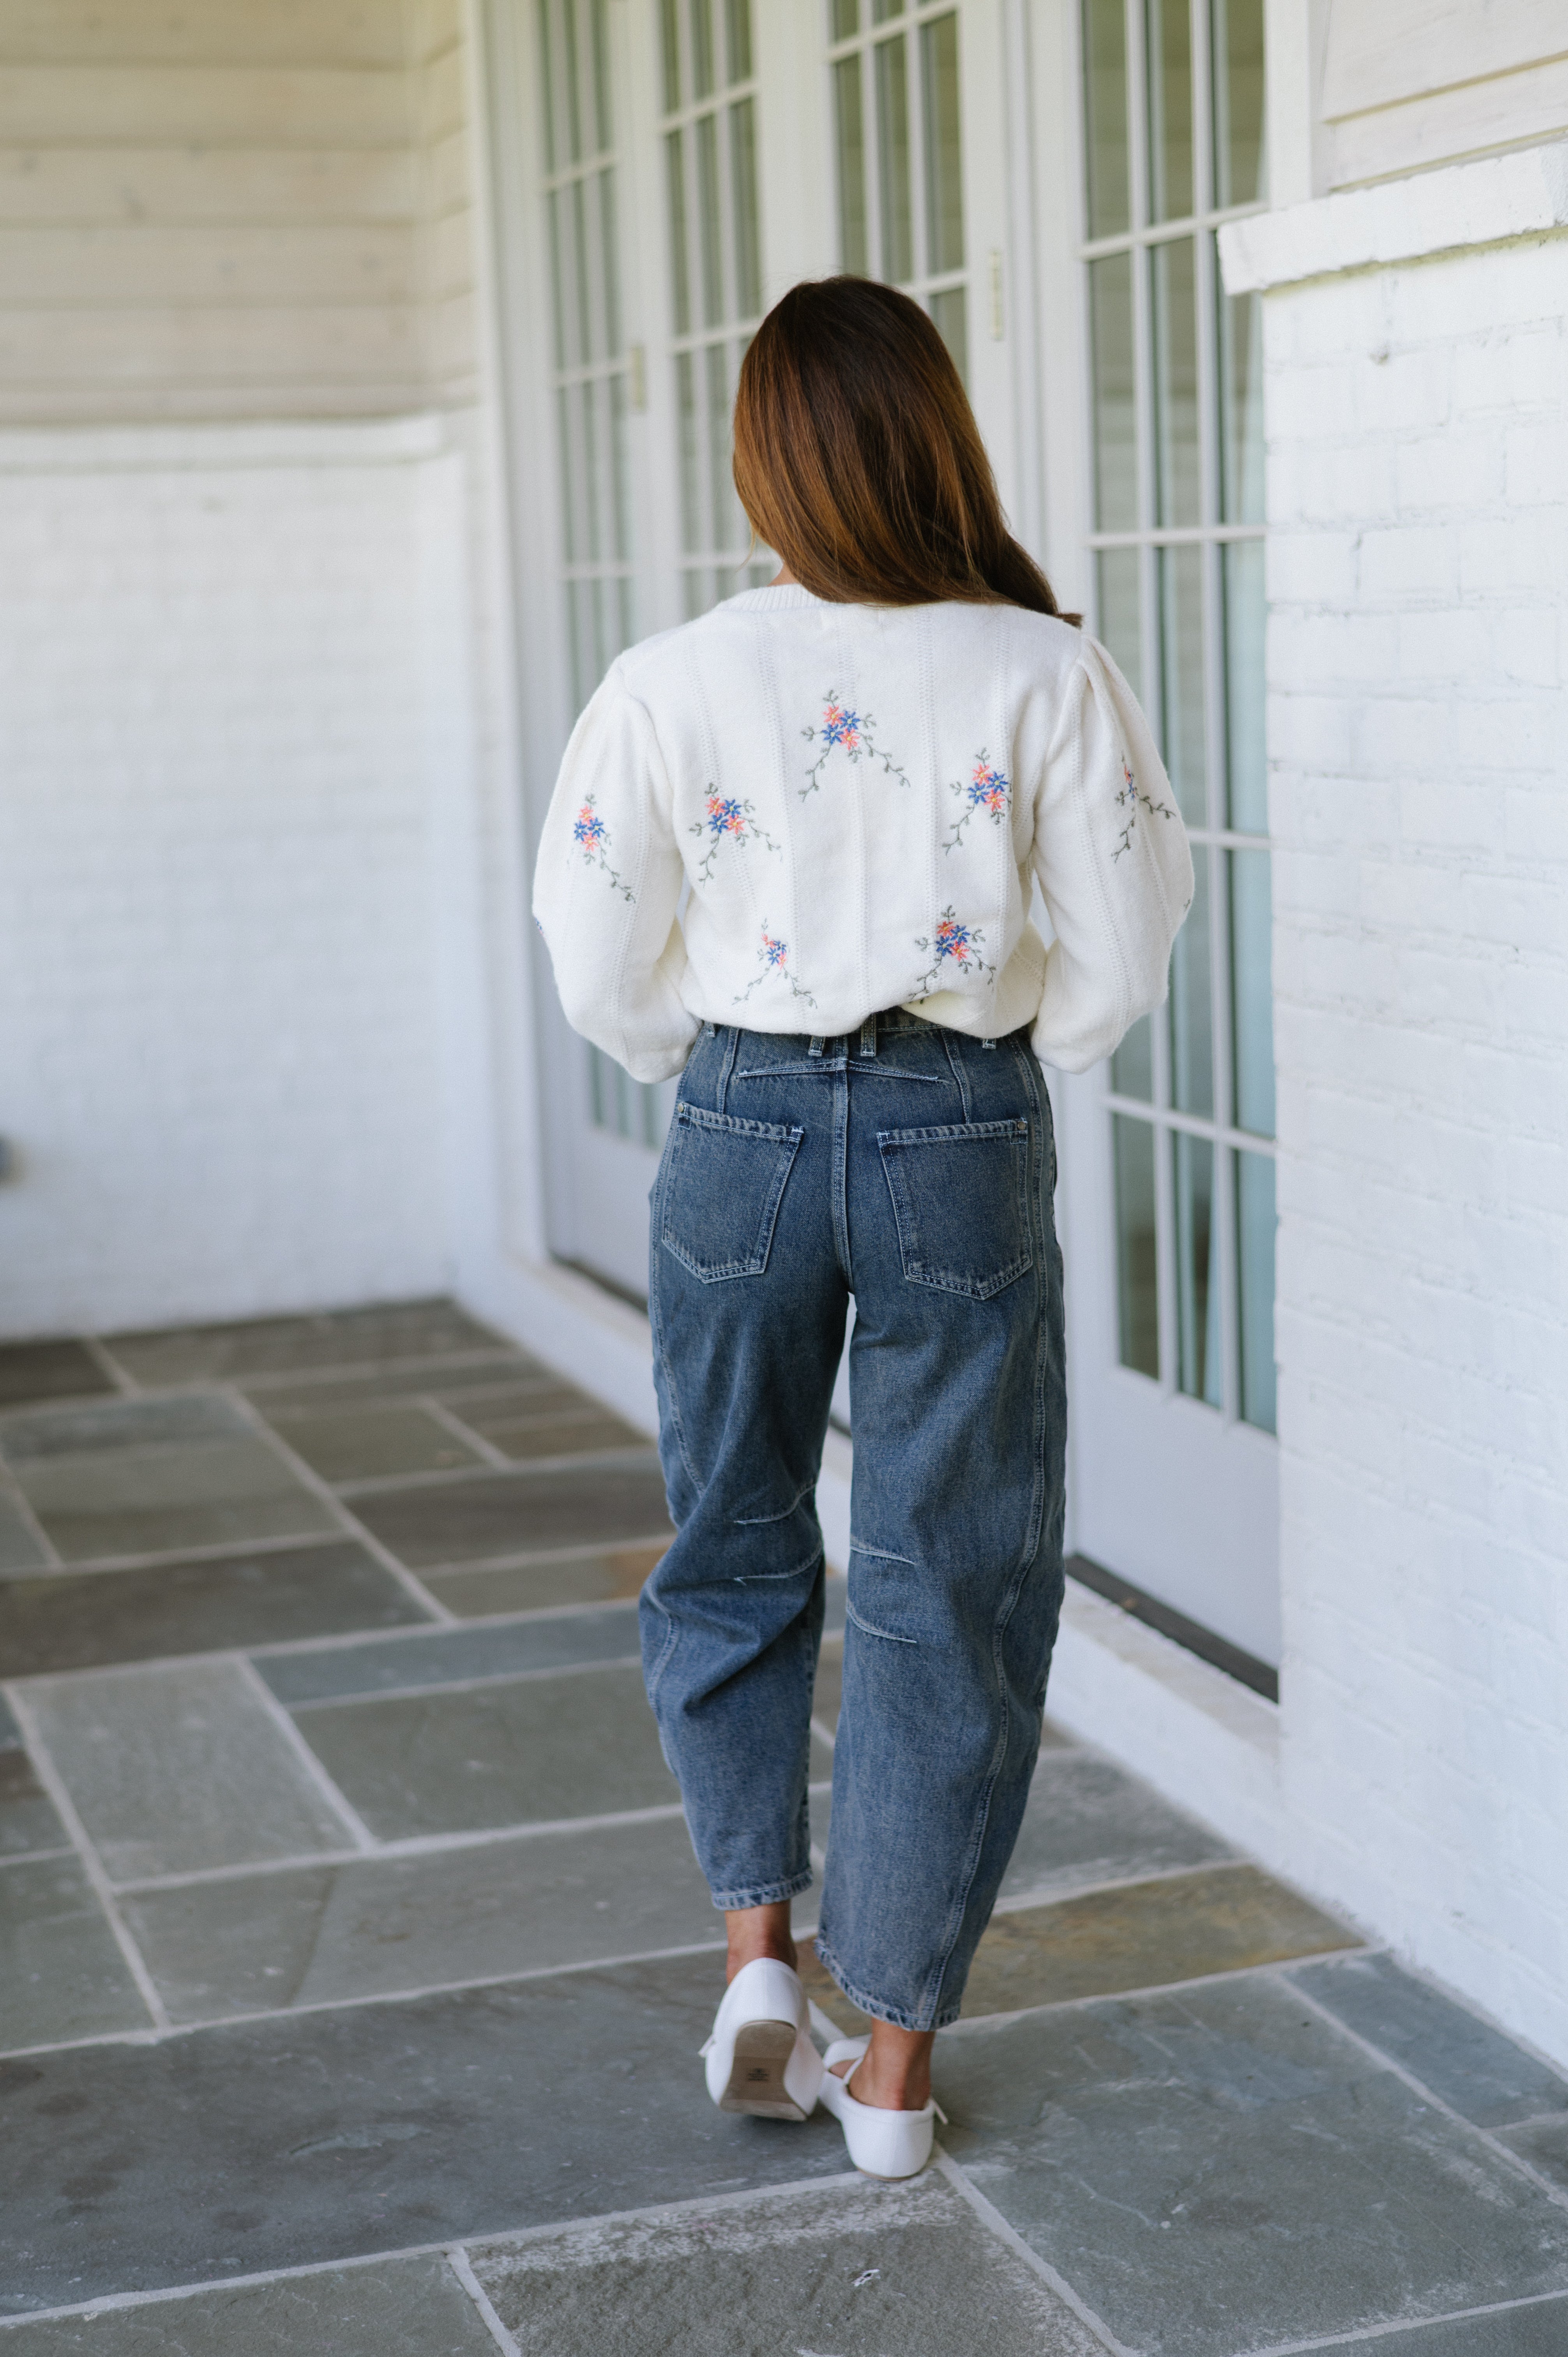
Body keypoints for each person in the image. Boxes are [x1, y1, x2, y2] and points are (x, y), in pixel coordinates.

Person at [534, 276, 1191, 2179]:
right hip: (951, 1128)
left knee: (732, 1541)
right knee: (945, 1580)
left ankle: (761, 1956)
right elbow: (1128, 941)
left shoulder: (670, 675)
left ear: (764, 460)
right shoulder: (1040, 666)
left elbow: (588, 948)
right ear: (936, 440)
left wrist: (721, 1060)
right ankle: (889, 2083)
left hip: (735, 1115)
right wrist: (996, 1058)